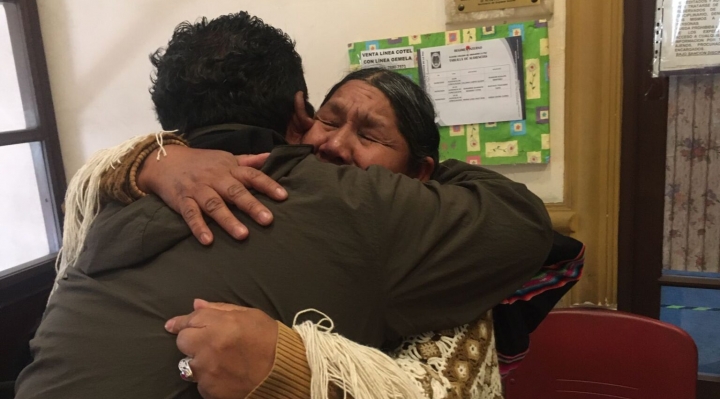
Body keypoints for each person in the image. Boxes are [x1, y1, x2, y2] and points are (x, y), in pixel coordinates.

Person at [15, 13, 566, 399]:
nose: (333, 144)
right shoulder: (130, 185)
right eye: (329, 120)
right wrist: (155, 160)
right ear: (301, 114)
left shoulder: (114, 200)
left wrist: (294, 366)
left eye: (370, 134)